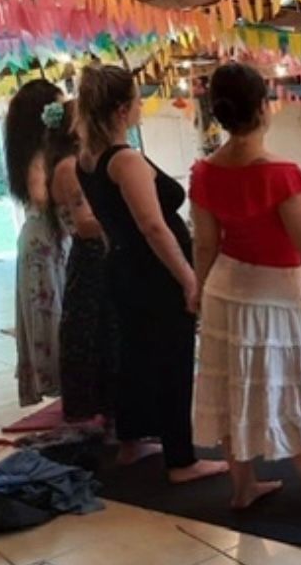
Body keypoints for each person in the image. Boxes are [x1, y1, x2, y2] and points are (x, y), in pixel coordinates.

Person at [190, 63, 301, 523]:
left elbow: (205, 243)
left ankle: (243, 486)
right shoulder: (281, 175)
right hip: (270, 298)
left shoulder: (204, 171)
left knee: (234, 388)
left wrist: (197, 291)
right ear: (264, 108)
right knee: (293, 393)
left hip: (223, 292)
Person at [76, 64, 226, 483]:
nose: (142, 107)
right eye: (139, 101)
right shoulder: (125, 161)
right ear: (123, 109)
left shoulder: (84, 159)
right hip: (153, 272)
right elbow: (154, 226)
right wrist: (188, 278)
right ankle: (182, 459)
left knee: (136, 356)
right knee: (173, 359)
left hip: (123, 267)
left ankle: (131, 441)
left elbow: (111, 222)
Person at [43, 100, 117, 422]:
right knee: (95, 331)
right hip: (91, 256)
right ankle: (100, 406)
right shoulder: (69, 167)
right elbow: (85, 223)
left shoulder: (74, 163)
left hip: (92, 255)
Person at [4, 79, 70, 407]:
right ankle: (65, 382)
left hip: (53, 239)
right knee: (53, 314)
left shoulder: (44, 151)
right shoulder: (38, 155)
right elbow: (43, 196)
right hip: (45, 241)